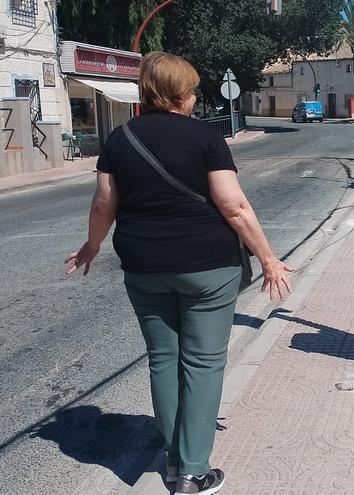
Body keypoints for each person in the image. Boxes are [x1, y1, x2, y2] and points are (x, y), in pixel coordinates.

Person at [65, 51, 292, 495]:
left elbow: (102, 204)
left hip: (144, 266)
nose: (193, 97)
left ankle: (173, 462)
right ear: (178, 93)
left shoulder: (119, 138)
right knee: (204, 364)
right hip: (208, 265)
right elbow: (233, 206)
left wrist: (91, 248)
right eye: (190, 90)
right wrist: (267, 258)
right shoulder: (205, 137)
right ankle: (193, 472)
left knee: (163, 360)